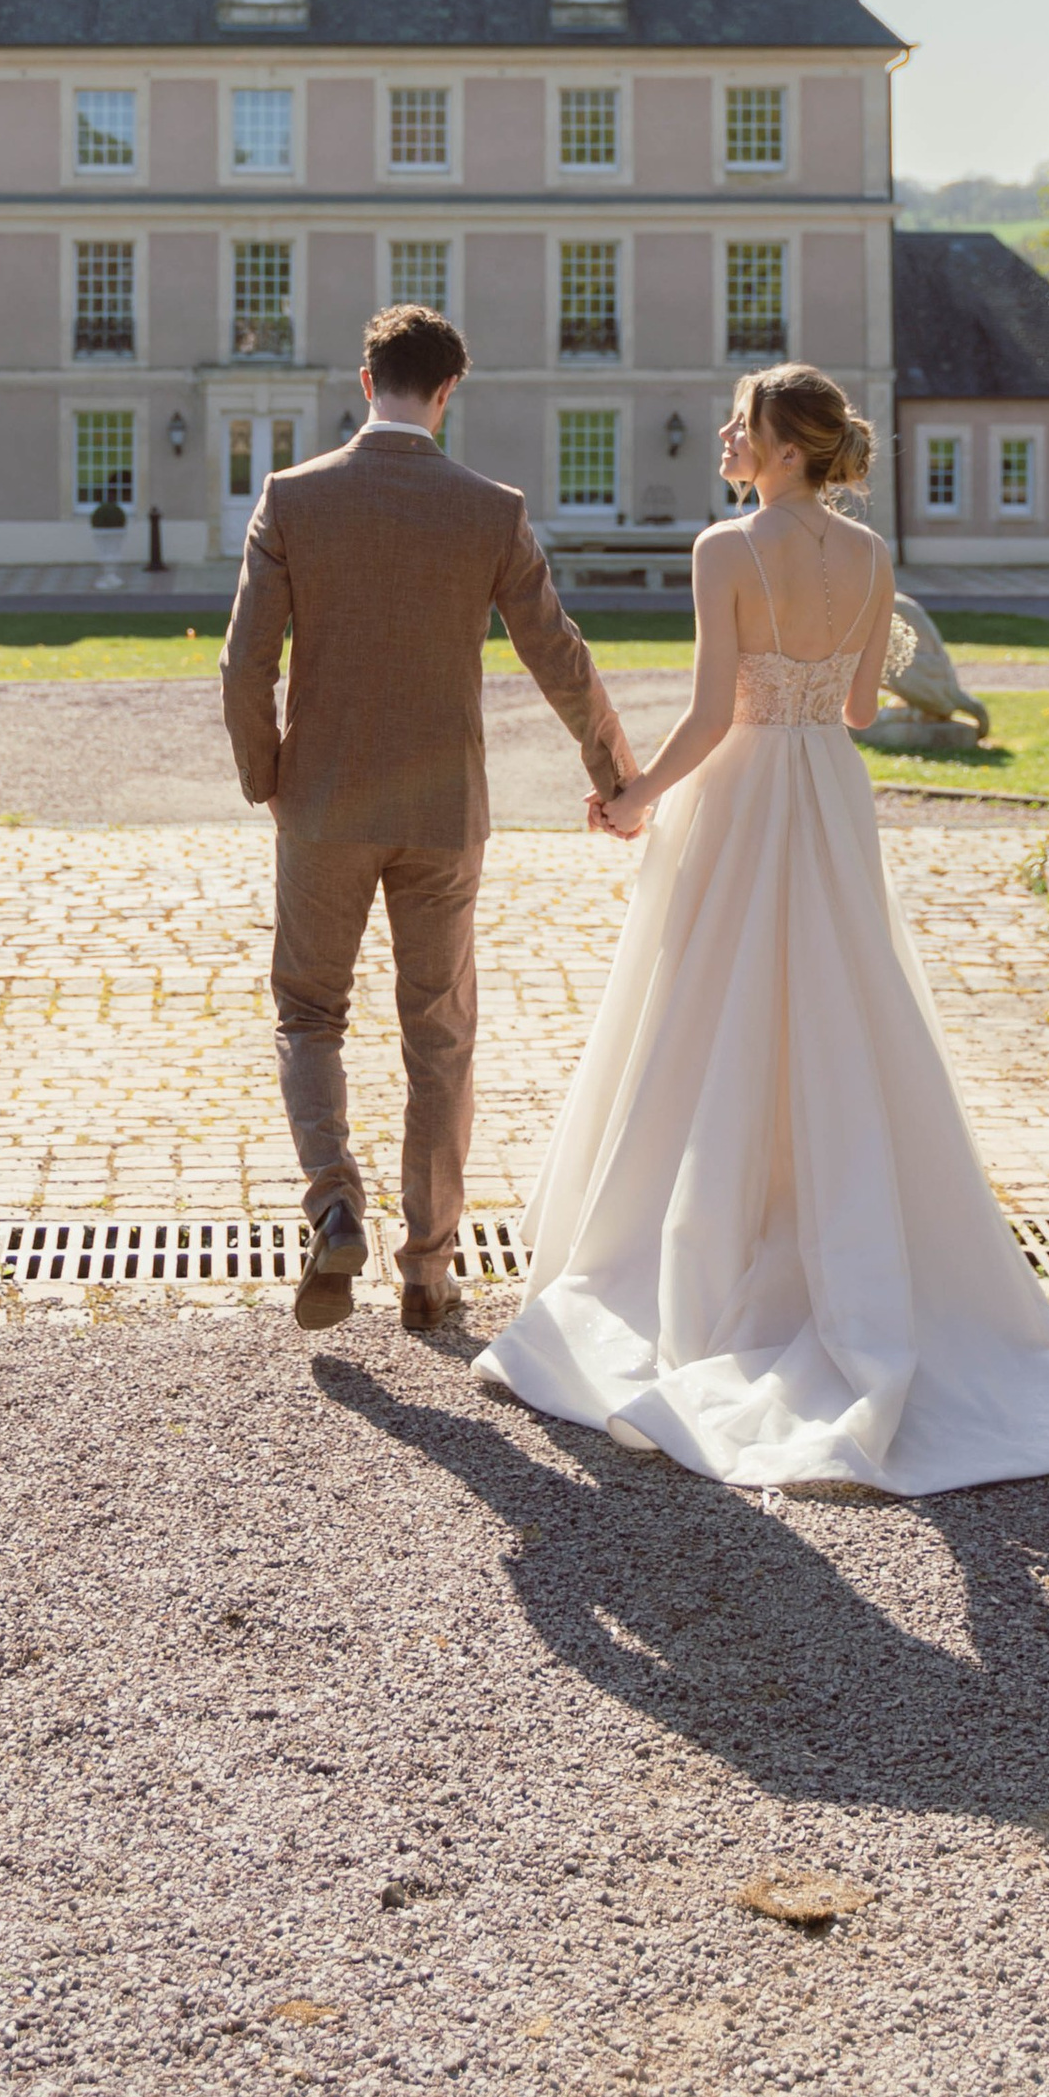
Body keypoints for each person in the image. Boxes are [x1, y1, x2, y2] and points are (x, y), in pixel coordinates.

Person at [472, 361, 1049, 1491]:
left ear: (781, 451)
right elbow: (863, 707)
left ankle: (716, 1257)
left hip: (744, 790)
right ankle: (838, 1242)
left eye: (742, 422)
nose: (724, 433)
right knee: (837, 1004)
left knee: (708, 1010)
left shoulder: (724, 549)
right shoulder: (871, 557)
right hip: (827, 785)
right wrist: (813, 683)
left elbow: (716, 707)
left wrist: (637, 795)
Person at [220, 303, 635, 1338]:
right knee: (438, 1036)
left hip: (321, 802)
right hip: (445, 811)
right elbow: (559, 654)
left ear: (365, 383)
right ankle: (428, 1269)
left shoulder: (292, 496)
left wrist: (266, 776)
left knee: (308, 1013)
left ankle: (329, 1199)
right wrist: (615, 774)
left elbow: (243, 664)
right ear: (447, 391)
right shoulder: (488, 509)